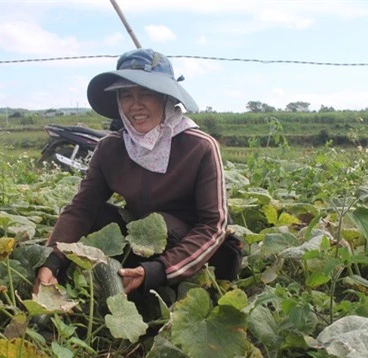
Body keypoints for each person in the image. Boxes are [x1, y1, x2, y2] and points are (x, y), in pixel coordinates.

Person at [33, 48, 242, 301]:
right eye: (126, 95)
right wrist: (52, 261)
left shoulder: (199, 146)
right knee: (99, 215)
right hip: (145, 244)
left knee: (161, 224)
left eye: (146, 93)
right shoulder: (111, 148)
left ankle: (153, 285)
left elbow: (213, 226)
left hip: (202, 254)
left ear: (166, 99)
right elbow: (82, 208)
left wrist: (158, 270)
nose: (135, 105)